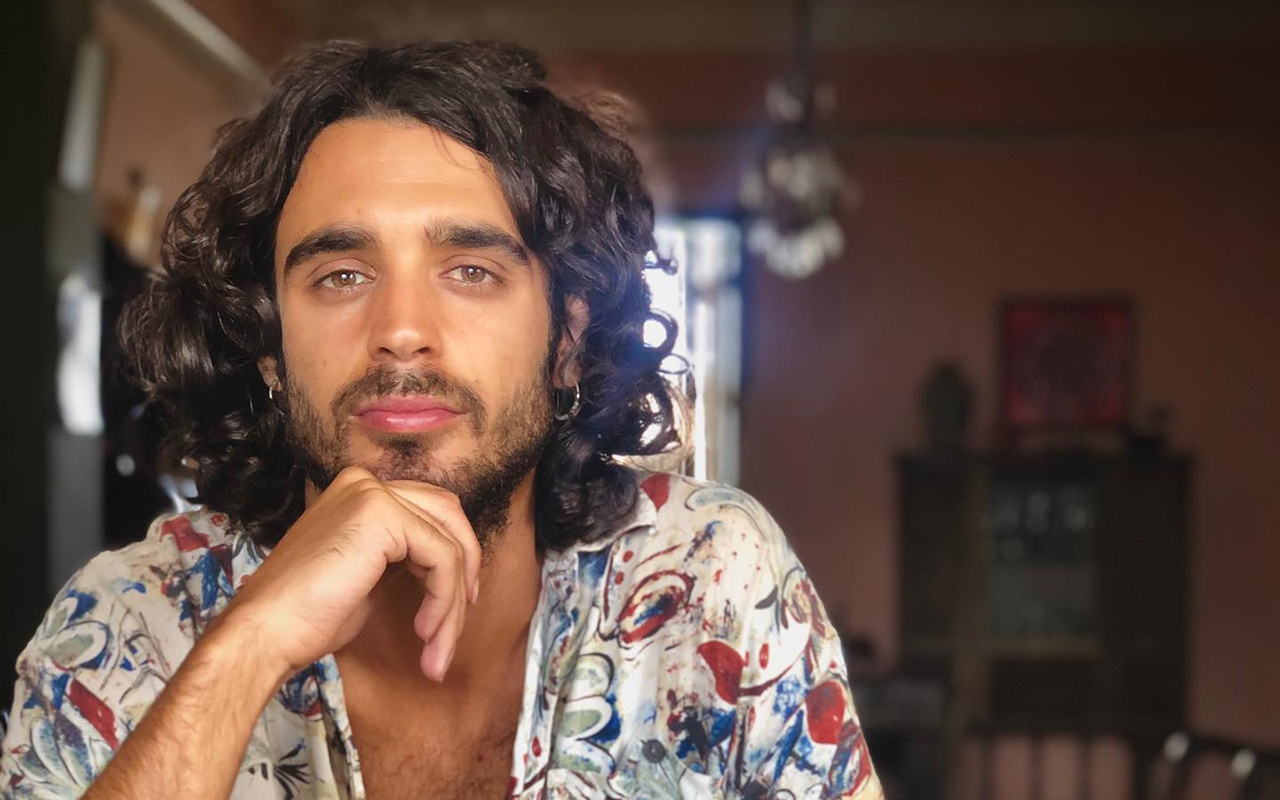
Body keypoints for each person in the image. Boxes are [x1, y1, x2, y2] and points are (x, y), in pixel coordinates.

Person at [0, 40, 882, 800]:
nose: (401, 330)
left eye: (471, 271)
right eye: (342, 275)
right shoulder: (130, 624)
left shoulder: (709, 584)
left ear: (566, 343)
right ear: (267, 349)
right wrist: (247, 647)